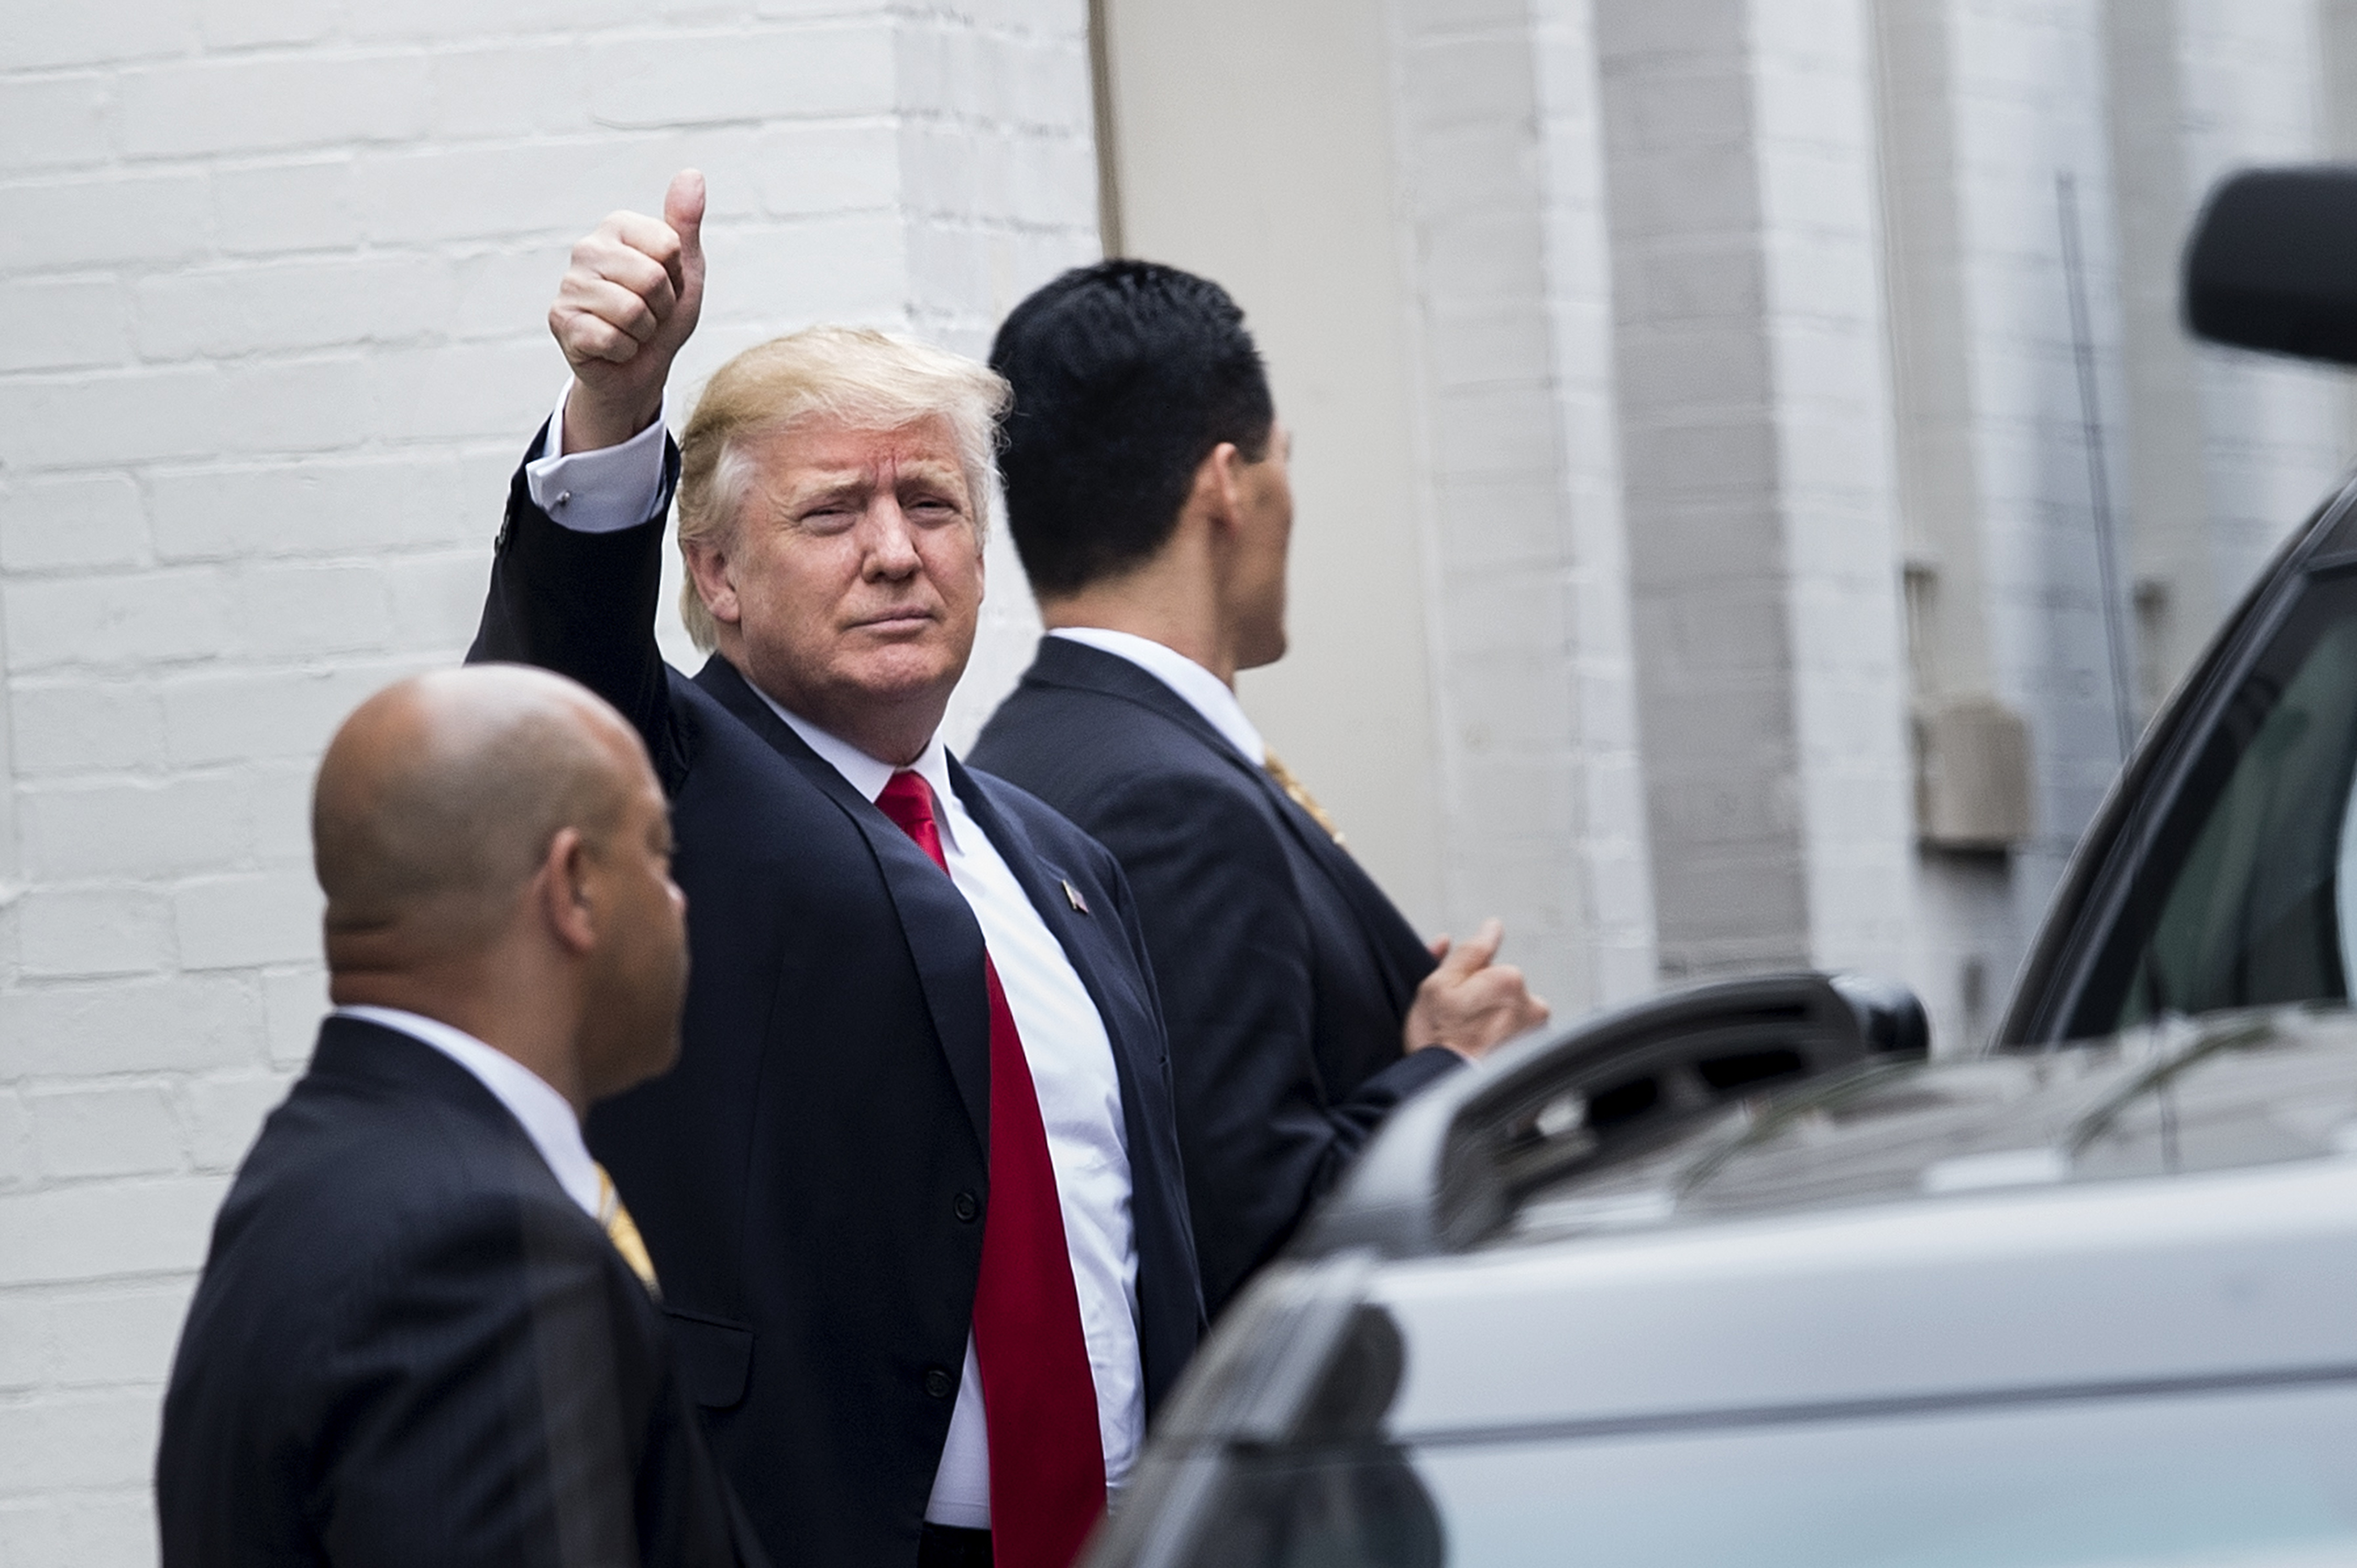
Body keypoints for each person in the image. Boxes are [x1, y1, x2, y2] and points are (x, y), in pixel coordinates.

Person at [470, 171, 1202, 1568]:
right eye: (831, 515)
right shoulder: (661, 789)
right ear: (718, 576)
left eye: (930, 503)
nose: (894, 553)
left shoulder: (1062, 867)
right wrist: (618, 407)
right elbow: (553, 684)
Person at [971, 261, 1551, 1316]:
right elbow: (1255, 1236)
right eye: (1286, 459)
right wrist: (1454, 1070)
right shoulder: (1171, 802)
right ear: (1228, 485)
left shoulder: (1030, 749)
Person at [156, 665, 764, 1567]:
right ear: (574, 886)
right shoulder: (481, 1251)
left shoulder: (314, 1174)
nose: (680, 904)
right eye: (657, 855)